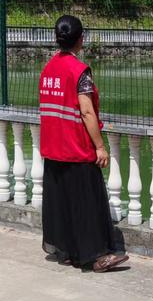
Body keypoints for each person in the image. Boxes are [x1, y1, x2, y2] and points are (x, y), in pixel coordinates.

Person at [39, 15, 129, 273]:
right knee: (87, 204)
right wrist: (100, 146)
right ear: (80, 39)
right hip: (76, 148)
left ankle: (67, 251)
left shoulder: (48, 70)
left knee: (63, 203)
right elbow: (87, 112)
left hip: (53, 148)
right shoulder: (80, 72)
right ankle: (95, 256)